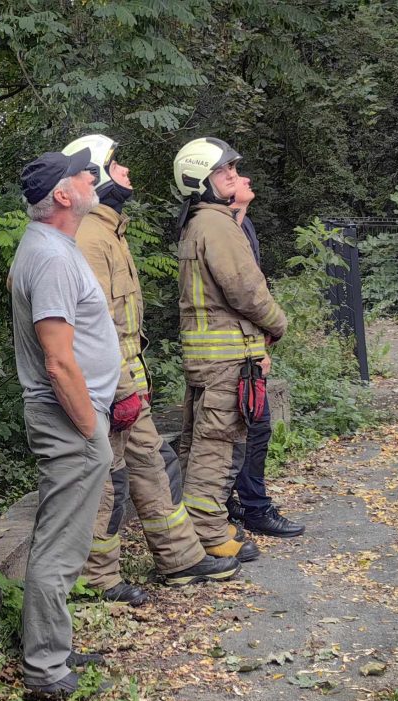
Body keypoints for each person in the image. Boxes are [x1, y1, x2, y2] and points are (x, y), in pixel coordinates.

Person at [62, 135, 241, 598]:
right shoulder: (88, 238)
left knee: (151, 471)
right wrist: (121, 391)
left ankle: (180, 561)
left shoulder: (108, 230)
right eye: (115, 164)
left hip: (125, 388)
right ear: (95, 177)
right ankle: (98, 581)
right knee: (108, 484)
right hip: (106, 391)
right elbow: (92, 328)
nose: (125, 171)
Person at [9, 148, 118, 698]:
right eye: (82, 173)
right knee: (59, 546)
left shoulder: (55, 247)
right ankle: (46, 673)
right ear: (62, 194)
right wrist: (89, 427)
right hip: (68, 420)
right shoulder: (50, 257)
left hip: (74, 416)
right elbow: (57, 360)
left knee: (68, 541)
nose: (91, 177)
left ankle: (53, 647)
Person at [172, 137, 288, 561]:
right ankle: (208, 533)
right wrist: (278, 323)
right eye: (225, 172)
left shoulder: (199, 223)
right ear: (201, 180)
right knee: (218, 446)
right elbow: (247, 290)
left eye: (234, 170)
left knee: (197, 444)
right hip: (225, 362)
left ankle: (198, 526)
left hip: (207, 359)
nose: (235, 177)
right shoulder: (217, 225)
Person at [225, 175, 306, 538]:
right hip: (229, 356)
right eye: (233, 175)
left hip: (248, 350)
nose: (246, 179)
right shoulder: (218, 232)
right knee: (251, 429)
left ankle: (242, 505)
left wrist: (261, 344)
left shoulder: (245, 227)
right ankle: (252, 508)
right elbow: (240, 298)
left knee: (252, 429)